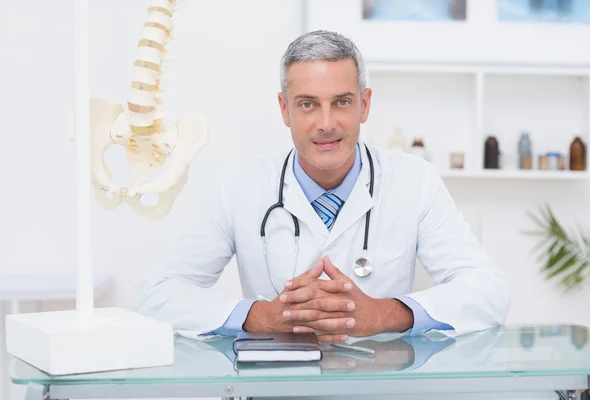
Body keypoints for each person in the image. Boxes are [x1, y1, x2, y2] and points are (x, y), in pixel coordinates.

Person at [136, 30, 510, 342]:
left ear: (364, 105)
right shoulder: (238, 188)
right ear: (284, 109)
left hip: (380, 388)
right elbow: (159, 295)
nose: (326, 123)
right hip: (275, 388)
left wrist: (385, 313)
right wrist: (262, 316)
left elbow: (489, 292)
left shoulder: (415, 181)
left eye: (342, 102)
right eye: (308, 105)